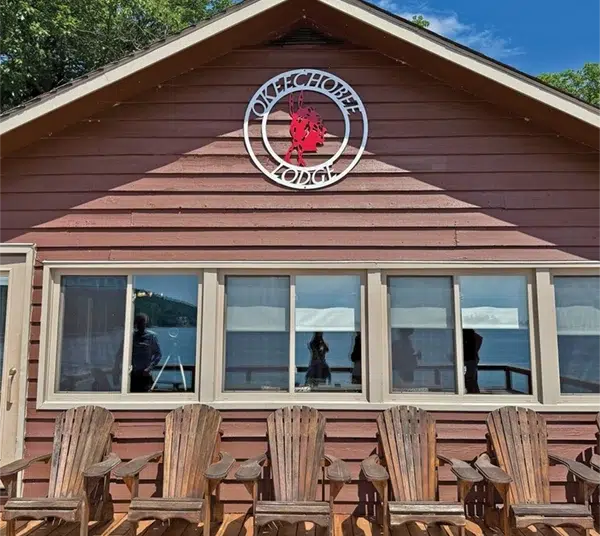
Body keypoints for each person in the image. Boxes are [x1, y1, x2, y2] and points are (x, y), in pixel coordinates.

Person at [130, 313, 162, 393]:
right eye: (138, 322)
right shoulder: (131, 336)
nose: (140, 325)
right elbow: (120, 353)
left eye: (142, 322)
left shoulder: (151, 336)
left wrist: (149, 368)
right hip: (132, 374)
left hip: (145, 374)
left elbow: (158, 354)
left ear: (145, 323)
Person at [463, 328, 483, 394]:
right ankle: (474, 393)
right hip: (472, 360)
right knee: (471, 379)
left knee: (470, 379)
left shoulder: (473, 337)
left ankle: (473, 393)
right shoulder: (477, 337)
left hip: (469, 360)